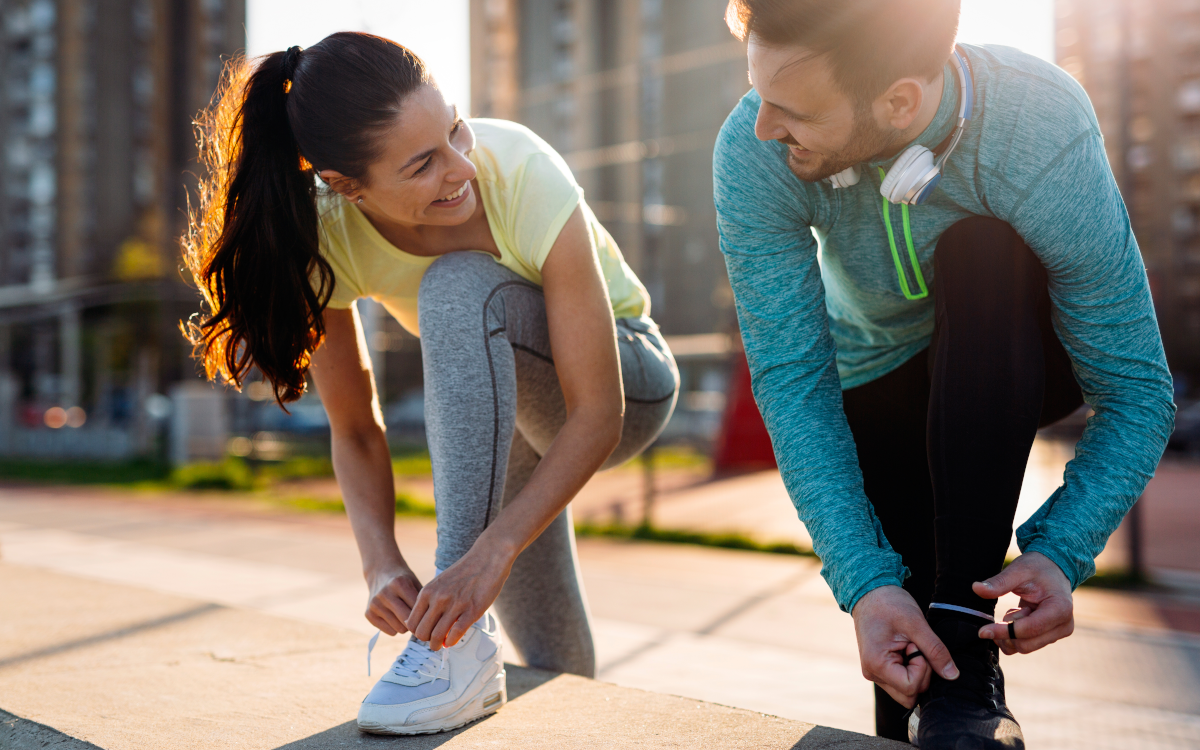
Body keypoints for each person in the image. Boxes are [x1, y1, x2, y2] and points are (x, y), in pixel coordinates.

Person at [182, 32, 678, 736]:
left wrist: (487, 553)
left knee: (456, 288)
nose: (460, 169)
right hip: (506, 408)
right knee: (549, 652)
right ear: (345, 187)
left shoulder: (520, 169)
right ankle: (524, 695)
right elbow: (354, 427)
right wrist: (379, 563)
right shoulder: (327, 237)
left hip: (629, 382)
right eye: (422, 164)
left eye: (453, 129)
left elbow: (599, 412)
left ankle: (445, 649)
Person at [713, 1, 1175, 747]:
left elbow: (1136, 390)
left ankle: (967, 643)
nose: (763, 126)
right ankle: (952, 693)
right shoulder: (752, 148)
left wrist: (1062, 549)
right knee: (906, 653)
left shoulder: (1039, 126)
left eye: (791, 109)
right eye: (759, 93)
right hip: (878, 382)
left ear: (899, 100)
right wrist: (864, 584)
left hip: (1016, 354)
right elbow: (795, 384)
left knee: (984, 249)